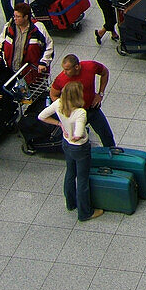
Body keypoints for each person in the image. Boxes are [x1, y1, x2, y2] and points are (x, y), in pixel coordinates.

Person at [38, 80, 103, 221]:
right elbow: (79, 133)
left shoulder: (58, 103)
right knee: (82, 179)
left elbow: (41, 116)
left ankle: (71, 203)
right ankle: (85, 213)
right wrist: (76, 136)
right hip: (80, 148)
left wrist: (60, 124)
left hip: (66, 144)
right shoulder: (80, 112)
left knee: (70, 173)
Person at [49, 54, 116, 148]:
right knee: (77, 139)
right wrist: (67, 109)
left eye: (67, 69)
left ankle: (112, 153)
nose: (64, 72)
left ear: (76, 67)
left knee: (106, 135)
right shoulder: (61, 79)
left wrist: (100, 94)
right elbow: (53, 95)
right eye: (63, 69)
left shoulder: (90, 66)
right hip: (75, 114)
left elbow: (104, 72)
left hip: (92, 109)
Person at [0, 2, 54, 74]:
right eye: (14, 16)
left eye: (18, 17)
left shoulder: (38, 28)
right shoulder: (9, 27)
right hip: (11, 70)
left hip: (31, 72)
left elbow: (49, 45)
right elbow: (0, 41)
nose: (15, 19)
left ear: (26, 17)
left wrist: (43, 62)